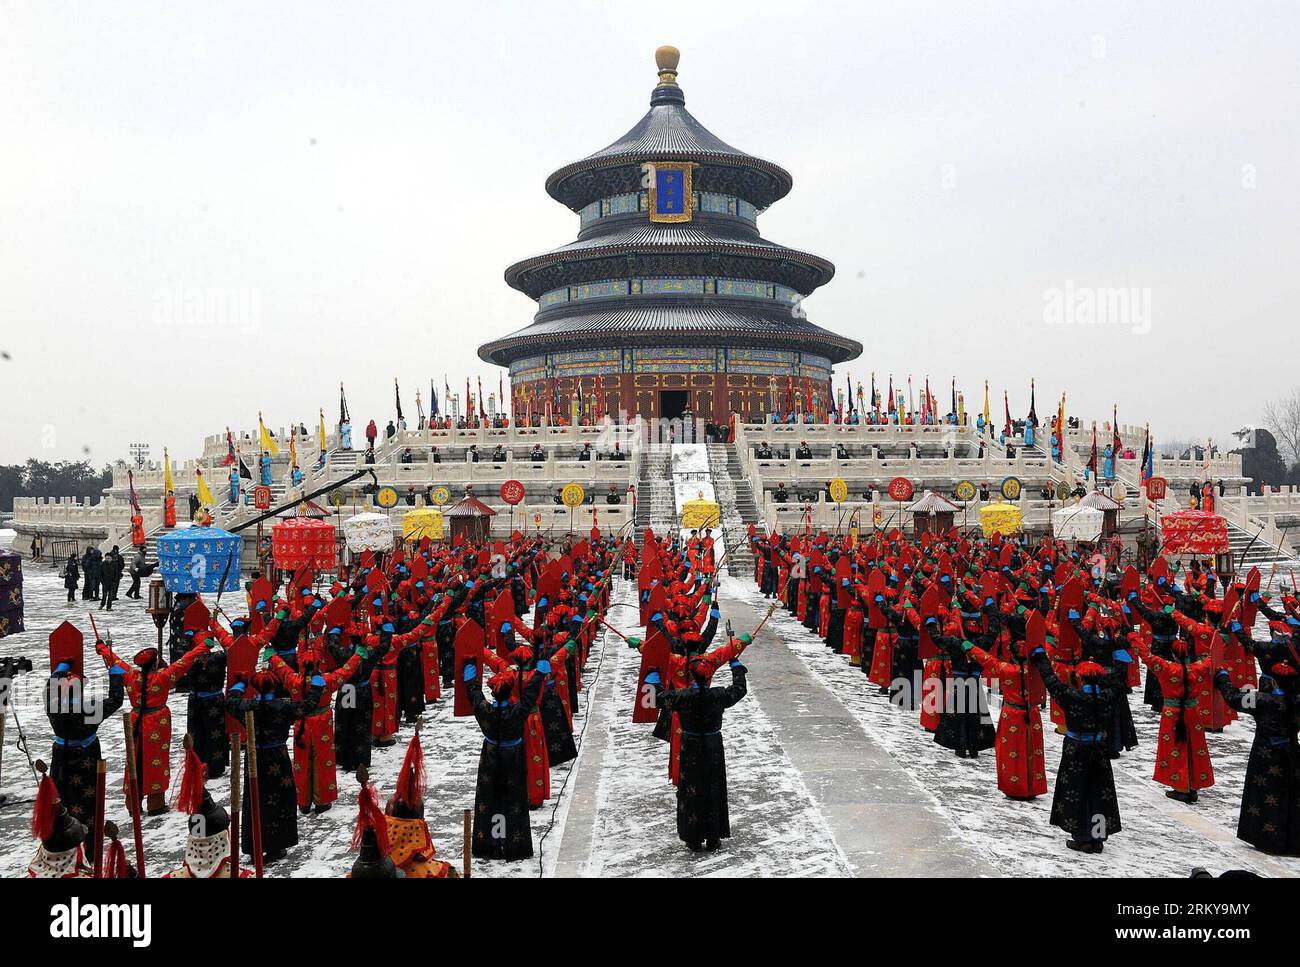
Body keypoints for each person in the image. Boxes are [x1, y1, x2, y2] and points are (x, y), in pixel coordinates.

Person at [226, 670, 324, 865]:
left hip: (254, 757)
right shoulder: (283, 707)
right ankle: (275, 846)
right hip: (278, 757)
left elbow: (230, 700)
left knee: (255, 799)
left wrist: (241, 684)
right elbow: (309, 705)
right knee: (279, 801)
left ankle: (254, 847)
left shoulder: (247, 706)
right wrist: (316, 686)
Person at [651, 656, 749, 852]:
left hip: (691, 746)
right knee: (713, 787)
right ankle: (713, 837)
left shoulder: (683, 696)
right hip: (713, 746)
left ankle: (693, 837)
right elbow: (739, 689)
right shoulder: (718, 695)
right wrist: (736, 667)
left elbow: (656, 699)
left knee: (691, 790)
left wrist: (653, 677)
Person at [467, 656, 545, 860]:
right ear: (511, 693)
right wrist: (540, 674)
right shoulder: (517, 712)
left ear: (493, 693)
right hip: (513, 761)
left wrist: (470, 677)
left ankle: (491, 844)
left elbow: (474, 696)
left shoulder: (485, 711)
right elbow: (530, 695)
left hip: (490, 760)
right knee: (514, 802)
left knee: (490, 800)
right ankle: (514, 845)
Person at [99, 545, 124, 611]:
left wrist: (115, 580)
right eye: (106, 558)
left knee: (111, 595)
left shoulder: (115, 564)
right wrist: (102, 581)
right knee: (104, 595)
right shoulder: (102, 564)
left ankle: (109, 607)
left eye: (109, 558)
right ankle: (102, 604)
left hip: (112, 582)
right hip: (105, 582)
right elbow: (100, 574)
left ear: (111, 558)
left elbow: (117, 573)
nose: (108, 559)